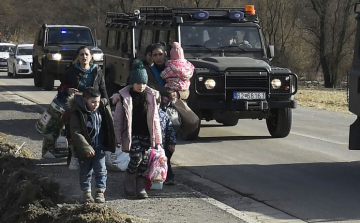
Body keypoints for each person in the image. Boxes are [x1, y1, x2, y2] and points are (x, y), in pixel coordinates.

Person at [41, 46, 109, 160]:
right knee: (74, 131)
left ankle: (91, 154)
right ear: (78, 57)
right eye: (81, 54)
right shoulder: (71, 71)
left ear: (91, 56)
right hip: (76, 107)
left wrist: (106, 105)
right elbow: (61, 88)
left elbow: (103, 90)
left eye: (87, 54)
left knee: (93, 131)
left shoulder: (97, 72)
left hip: (93, 108)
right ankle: (73, 155)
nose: (84, 57)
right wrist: (68, 90)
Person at [112, 59, 162, 199]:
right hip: (132, 134)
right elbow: (118, 121)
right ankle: (129, 183)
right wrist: (117, 138)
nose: (141, 86)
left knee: (145, 161)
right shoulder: (125, 98)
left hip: (146, 134)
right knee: (136, 158)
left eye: (144, 83)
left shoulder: (151, 97)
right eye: (138, 83)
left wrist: (157, 138)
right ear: (132, 83)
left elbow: (155, 120)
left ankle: (140, 187)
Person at [67, 87, 116, 203]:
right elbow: (75, 132)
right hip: (84, 149)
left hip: (99, 146)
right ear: (85, 100)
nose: (95, 105)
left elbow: (109, 126)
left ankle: (100, 192)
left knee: (101, 170)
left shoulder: (102, 109)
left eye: (97, 102)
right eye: (92, 102)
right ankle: (86, 193)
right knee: (85, 171)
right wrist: (86, 147)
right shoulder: (77, 112)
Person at [157, 98, 177, 185]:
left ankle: (169, 178)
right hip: (152, 144)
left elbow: (170, 130)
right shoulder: (145, 114)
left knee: (165, 161)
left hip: (163, 144)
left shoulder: (163, 115)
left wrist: (172, 143)